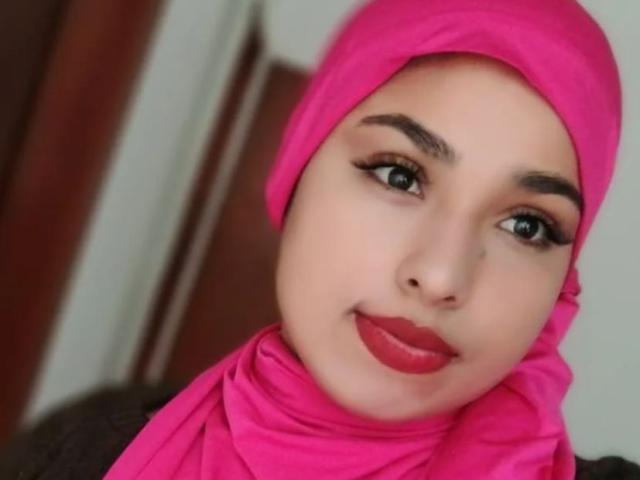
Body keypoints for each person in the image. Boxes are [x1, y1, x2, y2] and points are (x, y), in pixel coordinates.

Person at [1, 0, 638, 478]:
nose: (441, 276)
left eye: (527, 225)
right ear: (297, 169)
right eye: (399, 175)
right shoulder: (82, 453)